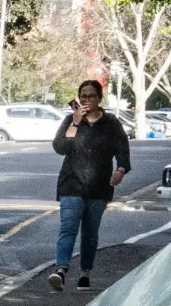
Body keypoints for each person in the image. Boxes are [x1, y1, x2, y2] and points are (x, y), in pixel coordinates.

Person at [50, 79, 130, 293]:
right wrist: (76, 123)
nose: (86, 100)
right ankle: (61, 271)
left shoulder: (111, 123)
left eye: (91, 96)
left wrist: (121, 170)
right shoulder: (71, 120)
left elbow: (122, 149)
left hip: (99, 186)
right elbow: (60, 147)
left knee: (90, 234)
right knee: (68, 228)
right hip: (71, 184)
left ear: (99, 98)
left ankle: (85, 273)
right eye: (83, 96)